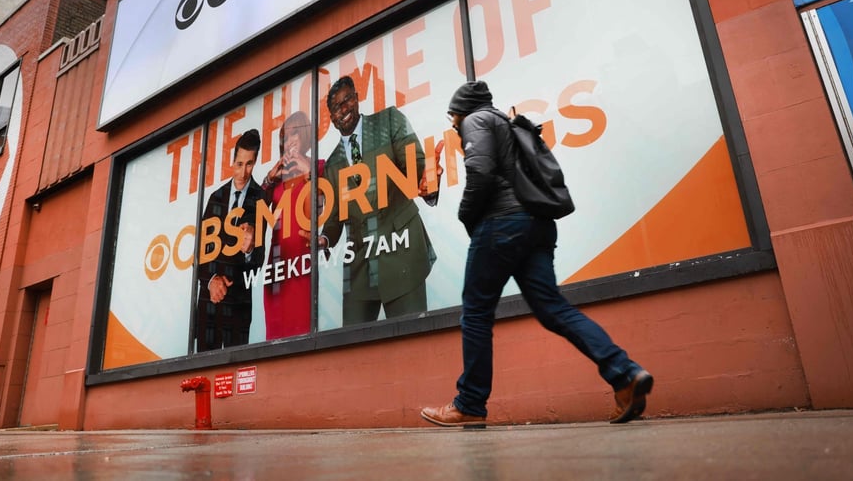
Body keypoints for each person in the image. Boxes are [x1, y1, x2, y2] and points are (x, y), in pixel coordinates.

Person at [420, 80, 653, 427]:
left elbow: (481, 174)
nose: (453, 124)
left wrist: (466, 217)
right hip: (537, 224)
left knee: (476, 313)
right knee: (552, 308)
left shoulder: (476, 120)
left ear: (460, 109)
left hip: (501, 225)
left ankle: (469, 402)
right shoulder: (508, 124)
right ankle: (624, 373)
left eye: (452, 116)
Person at [319, 75, 437, 325]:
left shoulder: (389, 120)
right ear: (331, 118)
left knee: (413, 343)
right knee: (352, 349)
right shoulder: (331, 165)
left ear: (357, 99)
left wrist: (426, 185)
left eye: (347, 100)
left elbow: (415, 163)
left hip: (400, 249)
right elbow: (334, 215)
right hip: (360, 264)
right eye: (336, 107)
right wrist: (325, 239)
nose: (344, 109)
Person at [194, 129, 265, 350]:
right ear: (232, 161)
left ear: (256, 161)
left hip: (239, 307)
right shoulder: (216, 197)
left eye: (250, 164)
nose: (243, 172)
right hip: (210, 305)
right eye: (239, 164)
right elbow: (199, 254)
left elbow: (259, 260)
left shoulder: (260, 198)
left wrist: (250, 249)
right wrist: (211, 280)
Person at [261, 111, 324, 340]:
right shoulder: (277, 180)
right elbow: (252, 215)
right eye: (285, 138)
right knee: (275, 336)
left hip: (303, 264)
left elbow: (326, 210)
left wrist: (309, 173)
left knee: (302, 335)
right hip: (276, 267)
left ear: (306, 136)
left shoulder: (319, 167)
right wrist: (269, 179)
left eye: (295, 134)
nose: (290, 141)